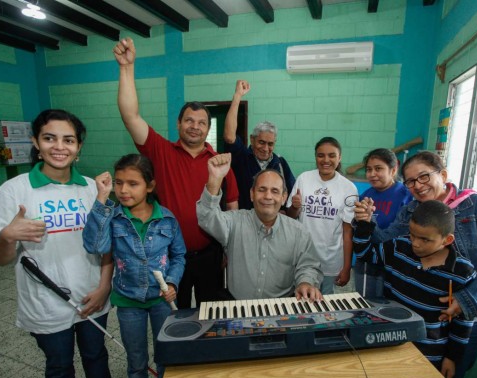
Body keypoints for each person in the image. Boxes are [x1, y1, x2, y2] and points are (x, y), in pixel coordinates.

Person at [0, 109, 115, 378]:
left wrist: (104, 287)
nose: (59, 147)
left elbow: (107, 246)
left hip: (92, 298)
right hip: (46, 305)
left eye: (69, 140)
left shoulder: (91, 189)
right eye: (50, 138)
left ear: (79, 147)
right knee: (59, 368)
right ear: (36, 142)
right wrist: (6, 236)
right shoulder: (14, 191)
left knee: (97, 358)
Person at [353, 150, 477, 378]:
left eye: (423, 177)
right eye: (410, 181)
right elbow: (385, 246)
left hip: (466, 319)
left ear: (442, 174)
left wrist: (467, 301)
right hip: (422, 317)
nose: (417, 186)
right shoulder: (411, 212)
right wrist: (367, 223)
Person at [114, 37, 239, 308]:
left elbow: (232, 208)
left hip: (210, 254)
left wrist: (230, 249)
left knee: (212, 313)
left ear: (208, 129)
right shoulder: (160, 151)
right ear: (178, 123)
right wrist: (127, 68)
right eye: (189, 121)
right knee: (175, 316)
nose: (195, 127)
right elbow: (130, 116)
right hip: (169, 256)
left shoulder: (219, 162)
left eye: (202, 122)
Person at [82, 154, 186, 378]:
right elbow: (94, 246)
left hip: (161, 301)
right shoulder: (113, 217)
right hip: (128, 302)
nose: (123, 190)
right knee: (136, 363)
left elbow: (179, 256)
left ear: (150, 186)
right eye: (118, 183)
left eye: (132, 183)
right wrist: (101, 199)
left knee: (165, 358)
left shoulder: (167, 219)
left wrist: (172, 282)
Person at [354, 199, 476, 378]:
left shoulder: (462, 273)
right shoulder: (399, 247)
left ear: (448, 240)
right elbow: (365, 254)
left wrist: (452, 358)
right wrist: (365, 224)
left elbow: (463, 323)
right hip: (391, 345)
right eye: (412, 235)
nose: (416, 244)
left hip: (430, 354)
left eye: (425, 240)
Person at [196, 153, 323, 301]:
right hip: (238, 307)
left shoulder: (298, 232)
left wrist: (305, 282)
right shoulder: (234, 222)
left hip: (281, 309)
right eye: (262, 189)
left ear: (284, 197)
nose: (268, 196)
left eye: (275, 191)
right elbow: (207, 217)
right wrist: (215, 179)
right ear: (252, 194)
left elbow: (308, 265)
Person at [286, 137, 357, 295]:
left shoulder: (348, 188)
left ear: (340, 157)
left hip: (330, 262)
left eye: (332, 155)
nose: (326, 160)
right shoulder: (304, 179)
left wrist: (346, 267)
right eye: (321, 155)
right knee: (301, 303)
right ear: (315, 157)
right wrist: (295, 207)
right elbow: (290, 218)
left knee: (323, 309)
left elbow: (347, 232)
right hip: (302, 258)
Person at [224, 79, 296, 210]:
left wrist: (286, 212)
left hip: (271, 226)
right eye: (261, 142)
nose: (265, 148)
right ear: (252, 139)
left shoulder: (280, 163)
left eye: (270, 144)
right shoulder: (241, 156)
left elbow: (291, 196)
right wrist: (237, 96)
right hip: (243, 224)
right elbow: (229, 136)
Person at [354, 148, 413, 298]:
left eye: (378, 168)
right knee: (367, 303)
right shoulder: (366, 195)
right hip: (368, 261)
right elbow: (358, 228)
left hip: (393, 263)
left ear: (393, 170)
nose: (372, 174)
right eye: (369, 169)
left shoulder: (406, 195)